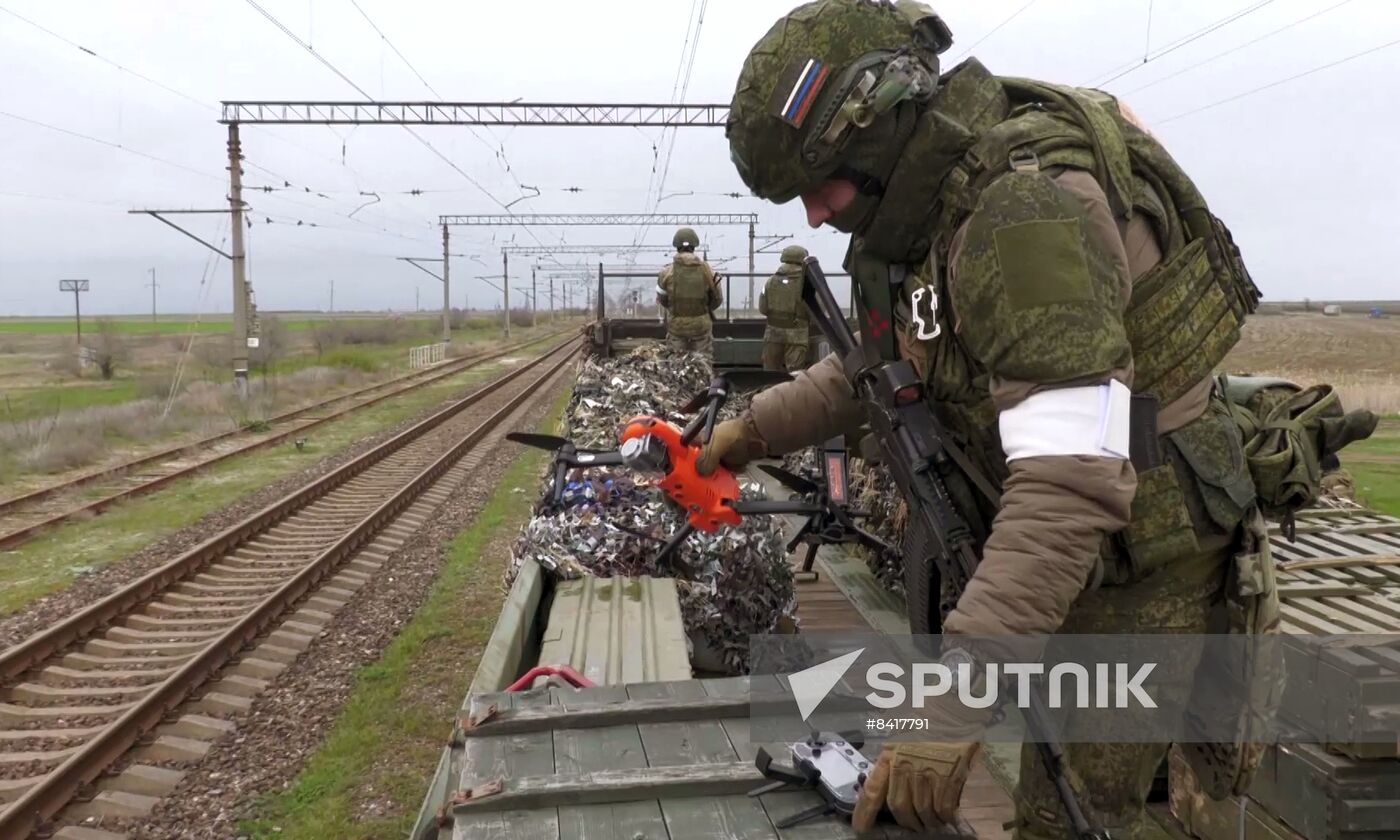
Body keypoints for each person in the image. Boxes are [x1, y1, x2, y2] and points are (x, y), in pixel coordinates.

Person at [699, 1, 1280, 837]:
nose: (815, 217)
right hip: (1083, 545)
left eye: (817, 186)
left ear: (876, 132)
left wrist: (953, 704)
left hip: (1148, 557)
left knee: (1087, 813)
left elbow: (1072, 479)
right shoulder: (937, 214)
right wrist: (749, 430)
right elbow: (884, 361)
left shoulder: (1022, 216)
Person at [656, 227, 722, 354]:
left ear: (677, 247)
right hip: (701, 326)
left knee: (676, 363)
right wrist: (704, 310)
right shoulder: (707, 271)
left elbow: (662, 299)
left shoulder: (666, 272)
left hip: (677, 326)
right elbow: (717, 299)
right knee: (703, 363)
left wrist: (675, 310)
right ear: (694, 246)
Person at [759, 244, 812, 371]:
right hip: (797, 334)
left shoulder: (770, 281)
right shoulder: (808, 283)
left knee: (770, 374)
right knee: (795, 375)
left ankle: (770, 390)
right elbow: (817, 309)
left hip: (773, 333)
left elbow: (763, 308)